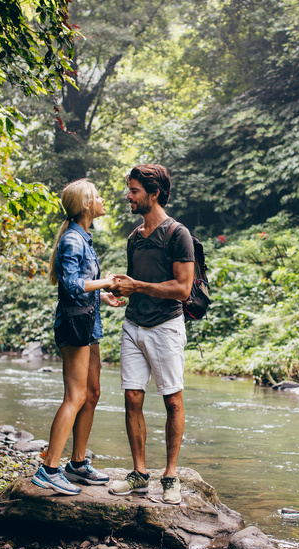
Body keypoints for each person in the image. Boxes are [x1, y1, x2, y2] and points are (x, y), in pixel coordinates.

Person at [107, 164, 194, 505]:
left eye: (134, 191)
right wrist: (122, 291)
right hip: (133, 325)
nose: (128, 196)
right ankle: (140, 474)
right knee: (132, 398)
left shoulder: (178, 235)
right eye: (129, 190)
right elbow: (136, 282)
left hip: (166, 327)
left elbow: (183, 289)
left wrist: (138, 285)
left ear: (153, 193)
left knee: (172, 400)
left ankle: (170, 476)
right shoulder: (133, 237)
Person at [32, 179, 124, 495]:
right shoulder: (73, 240)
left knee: (93, 392)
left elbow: (84, 285)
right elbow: (71, 285)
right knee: (75, 396)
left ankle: (77, 464)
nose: (102, 199)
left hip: (89, 323)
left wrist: (104, 295)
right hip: (74, 325)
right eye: (97, 196)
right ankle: (49, 470)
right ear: (86, 204)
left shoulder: (84, 237)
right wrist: (106, 283)